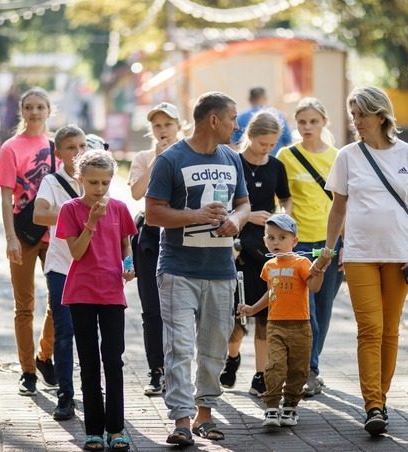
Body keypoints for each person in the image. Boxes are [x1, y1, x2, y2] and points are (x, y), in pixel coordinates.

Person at [319, 86, 408, 435]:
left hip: (400, 255)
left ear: (380, 116)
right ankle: (372, 405)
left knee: (390, 330)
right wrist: (328, 249)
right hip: (360, 255)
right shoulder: (348, 156)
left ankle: (380, 399)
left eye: (360, 115)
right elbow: (338, 207)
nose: (355, 122)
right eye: (353, 115)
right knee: (370, 329)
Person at [145, 91, 251, 446]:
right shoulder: (171, 160)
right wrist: (196, 216)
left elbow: (244, 203)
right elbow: (154, 212)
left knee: (214, 347)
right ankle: (181, 421)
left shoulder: (232, 159)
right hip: (178, 269)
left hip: (220, 270)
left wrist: (237, 220)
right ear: (214, 120)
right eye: (233, 118)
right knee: (179, 347)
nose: (238, 126)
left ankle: (206, 415)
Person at [55, 149, 137, 451]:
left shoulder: (119, 208)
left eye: (104, 183)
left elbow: (125, 244)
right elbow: (76, 252)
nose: (99, 189)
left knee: (113, 360)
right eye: (93, 183)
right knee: (89, 362)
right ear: (80, 179)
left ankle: (116, 429)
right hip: (81, 293)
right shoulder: (70, 209)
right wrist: (91, 221)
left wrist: (129, 268)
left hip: (112, 292)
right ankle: (93, 430)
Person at [218, 111, 292, 397]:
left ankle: (260, 376)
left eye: (272, 145)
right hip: (238, 250)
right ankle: (232, 357)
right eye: (262, 143)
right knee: (237, 320)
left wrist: (284, 218)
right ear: (249, 136)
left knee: (266, 317)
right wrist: (247, 217)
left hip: (268, 250)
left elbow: (285, 198)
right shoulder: (233, 163)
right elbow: (224, 204)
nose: (267, 150)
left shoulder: (276, 166)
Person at [275, 97, 343, 396]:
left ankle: (311, 368)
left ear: (324, 122)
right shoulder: (287, 156)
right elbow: (281, 199)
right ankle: (305, 370)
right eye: (301, 122)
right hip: (300, 244)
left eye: (313, 121)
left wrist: (347, 243)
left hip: (329, 243)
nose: (307, 127)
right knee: (306, 309)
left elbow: (346, 204)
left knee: (324, 308)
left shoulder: (338, 157)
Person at [0, 87, 57, 396]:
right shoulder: (11, 148)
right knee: (24, 306)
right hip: (23, 233)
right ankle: (28, 371)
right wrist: (10, 238)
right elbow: (6, 199)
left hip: (54, 234)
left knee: (60, 301)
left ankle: (45, 356)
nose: (34, 112)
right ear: (22, 111)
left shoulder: (57, 147)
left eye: (40, 107)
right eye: (29, 107)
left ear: (48, 111)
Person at [238, 214, 325, 427]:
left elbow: (314, 287)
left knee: (297, 370)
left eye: (282, 237)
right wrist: (252, 309)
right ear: (265, 240)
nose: (276, 242)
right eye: (271, 237)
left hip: (300, 326)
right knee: (274, 366)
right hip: (275, 325)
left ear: (294, 241)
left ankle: (290, 407)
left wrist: (320, 267)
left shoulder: (302, 263)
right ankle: (271, 408)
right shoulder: (269, 267)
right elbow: (271, 293)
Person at [33, 125, 89, 420]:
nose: (78, 152)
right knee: (64, 332)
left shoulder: (96, 179)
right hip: (61, 266)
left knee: (90, 335)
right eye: (71, 147)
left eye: (82, 145)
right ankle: (65, 394)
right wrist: (74, 213)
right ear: (59, 153)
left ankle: (93, 392)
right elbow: (39, 214)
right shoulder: (52, 182)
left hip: (92, 267)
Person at [128, 102, 182, 396]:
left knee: (184, 307)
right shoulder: (143, 156)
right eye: (157, 126)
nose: (162, 131)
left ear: (179, 126)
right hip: (150, 235)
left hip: (182, 235)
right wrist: (157, 160)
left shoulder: (188, 153)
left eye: (168, 125)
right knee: (152, 309)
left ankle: (181, 369)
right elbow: (136, 192)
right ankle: (156, 370)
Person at [232, 87, 292, 155]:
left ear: (250, 100)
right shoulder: (279, 116)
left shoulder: (240, 118)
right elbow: (288, 140)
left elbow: (234, 143)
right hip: (276, 158)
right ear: (266, 98)